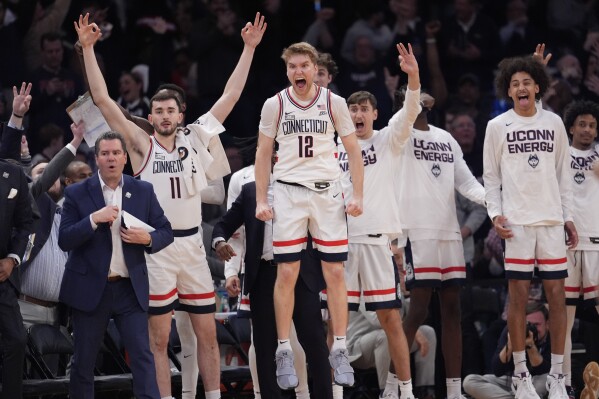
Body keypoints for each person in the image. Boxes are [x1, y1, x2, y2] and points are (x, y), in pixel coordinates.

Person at [76, 12, 266, 399]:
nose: (164, 116)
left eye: (171, 111)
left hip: (194, 245)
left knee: (207, 335)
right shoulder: (140, 144)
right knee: (158, 340)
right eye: (158, 111)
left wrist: (247, 49)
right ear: (151, 116)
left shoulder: (195, 137)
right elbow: (102, 100)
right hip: (155, 247)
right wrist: (88, 49)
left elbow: (230, 96)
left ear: (181, 114)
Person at [254, 40, 364, 389]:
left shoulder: (334, 103)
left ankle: (341, 348)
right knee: (286, 271)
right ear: (287, 71)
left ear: (315, 69)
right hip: (287, 191)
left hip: (327, 191)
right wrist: (261, 198)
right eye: (292, 67)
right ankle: (284, 349)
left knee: (334, 270)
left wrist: (357, 193)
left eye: (304, 66)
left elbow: (353, 151)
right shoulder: (275, 104)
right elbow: (262, 154)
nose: (298, 72)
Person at [483, 55, 578, 399]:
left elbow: (563, 175)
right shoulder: (497, 126)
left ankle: (556, 375)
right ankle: (520, 374)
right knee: (518, 301)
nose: (521, 87)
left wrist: (568, 216)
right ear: (508, 91)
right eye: (514, 83)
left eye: (527, 82)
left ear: (537, 87)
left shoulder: (553, 122)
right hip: (518, 224)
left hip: (551, 220)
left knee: (556, 299)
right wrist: (496, 214)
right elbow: (490, 179)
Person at [58, 131, 173, 398]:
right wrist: (93, 219)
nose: (111, 158)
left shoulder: (142, 189)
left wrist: (147, 239)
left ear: (124, 158)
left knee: (143, 357)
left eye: (116, 153)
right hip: (90, 288)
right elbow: (64, 239)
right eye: (105, 153)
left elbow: (166, 231)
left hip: (129, 288)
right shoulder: (76, 192)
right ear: (96, 158)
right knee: (84, 361)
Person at [338, 42, 421, 399]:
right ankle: (333, 390)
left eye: (363, 109)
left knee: (391, 320)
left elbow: (410, 110)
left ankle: (405, 390)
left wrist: (413, 76)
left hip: (374, 242)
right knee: (334, 325)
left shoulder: (388, 140)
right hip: (338, 244)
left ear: (374, 113)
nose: (357, 113)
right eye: (352, 109)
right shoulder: (335, 148)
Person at [395, 82, 486, 399]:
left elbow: (468, 184)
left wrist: (496, 204)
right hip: (417, 234)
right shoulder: (399, 138)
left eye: (420, 98)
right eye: (411, 98)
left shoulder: (446, 139)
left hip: (449, 234)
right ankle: (396, 387)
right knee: (418, 311)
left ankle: (453, 391)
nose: (418, 102)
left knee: (453, 311)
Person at [212, 176, 333, 399]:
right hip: (265, 275)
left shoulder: (306, 186)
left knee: (315, 344)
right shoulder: (250, 191)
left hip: (300, 273)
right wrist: (219, 241)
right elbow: (223, 224)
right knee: (264, 348)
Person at [561, 100, 599, 397]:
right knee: (565, 315)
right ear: (571, 126)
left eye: (593, 125)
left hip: (597, 241)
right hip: (568, 243)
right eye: (582, 124)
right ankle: (563, 383)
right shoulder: (560, 152)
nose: (587, 130)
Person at [0, 90, 35, 399]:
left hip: (2, 277)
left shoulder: (12, 174)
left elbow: (27, 224)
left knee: (16, 340)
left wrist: (12, 259)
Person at [464, 301, 551, 399]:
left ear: (547, 324)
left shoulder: (552, 336)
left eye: (536, 324)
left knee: (545, 380)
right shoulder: (512, 330)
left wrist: (530, 346)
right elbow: (497, 370)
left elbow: (543, 370)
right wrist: (509, 346)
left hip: (537, 380)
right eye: (527, 324)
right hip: (513, 380)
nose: (532, 329)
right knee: (470, 381)